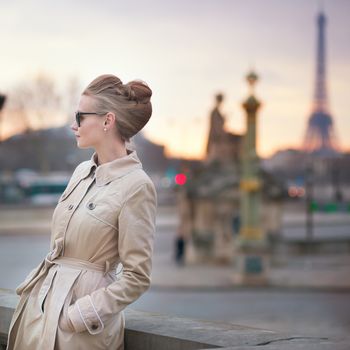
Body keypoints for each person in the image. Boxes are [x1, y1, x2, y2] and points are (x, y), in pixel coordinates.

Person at [6, 74, 157, 350]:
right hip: (42, 312)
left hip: (82, 330)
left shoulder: (137, 186)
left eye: (80, 116)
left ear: (107, 121)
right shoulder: (81, 172)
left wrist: (81, 314)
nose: (74, 125)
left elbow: (138, 276)